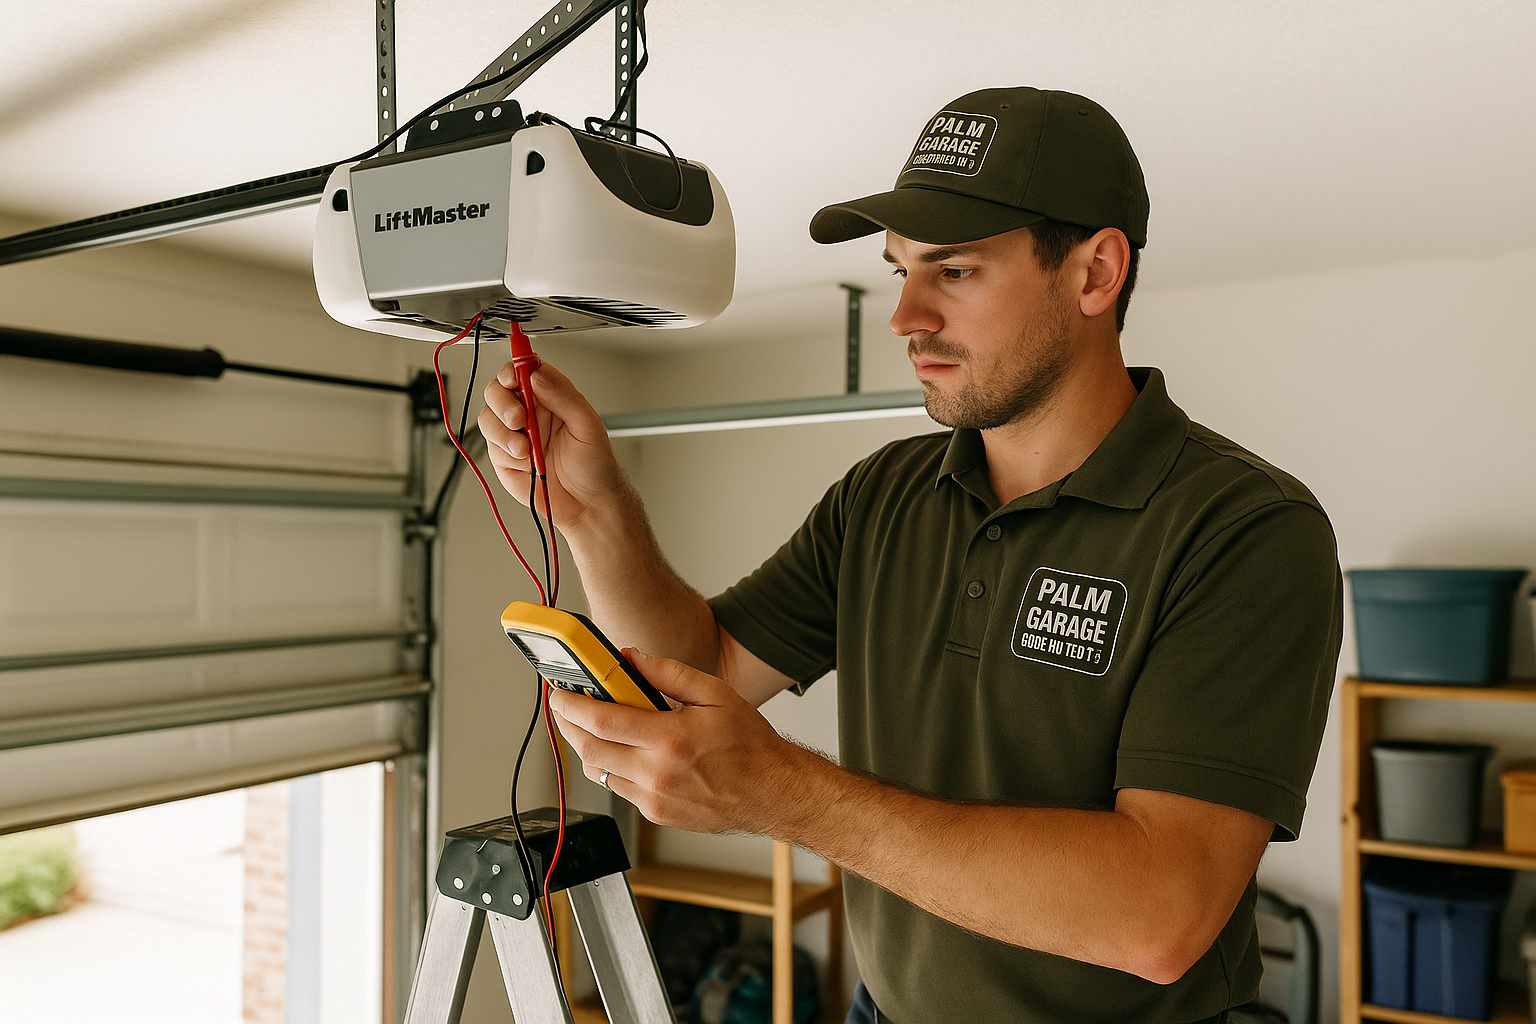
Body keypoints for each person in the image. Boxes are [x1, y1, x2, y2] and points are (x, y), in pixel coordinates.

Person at [479, 86, 1342, 1024]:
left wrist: (788, 796)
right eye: (900, 270)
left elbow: (1161, 915)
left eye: (954, 271)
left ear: (1095, 273)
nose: (904, 316)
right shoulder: (884, 494)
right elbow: (705, 669)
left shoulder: (1244, 528)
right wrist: (594, 511)